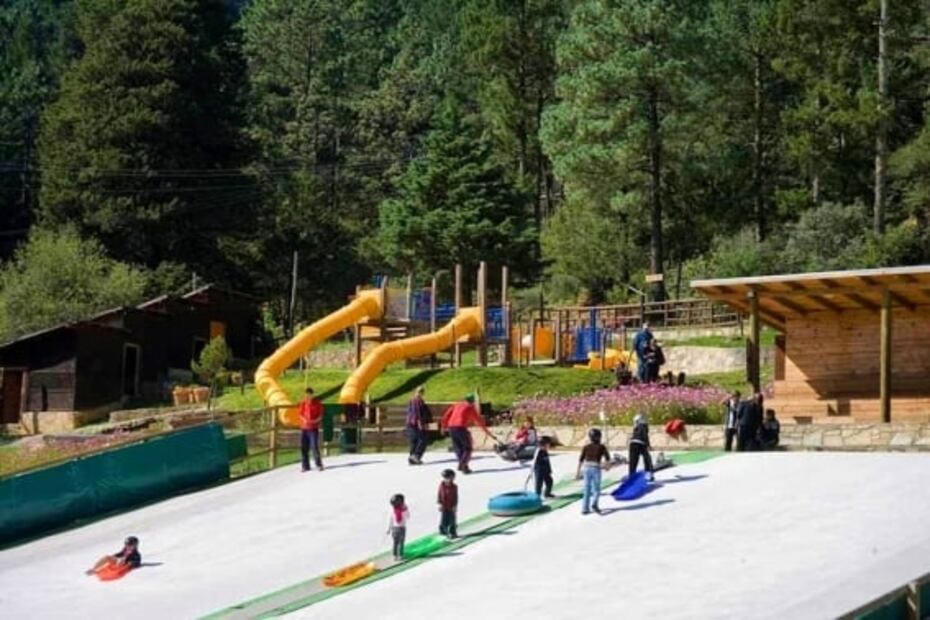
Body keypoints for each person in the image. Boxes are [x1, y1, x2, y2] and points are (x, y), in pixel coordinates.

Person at [440, 394, 495, 474]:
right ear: (472, 401)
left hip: (451, 427)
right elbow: (479, 421)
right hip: (460, 428)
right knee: (467, 448)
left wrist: (443, 426)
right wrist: (487, 432)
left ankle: (464, 467)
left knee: (458, 448)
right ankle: (462, 464)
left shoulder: (457, 405)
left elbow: (446, 415)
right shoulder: (470, 408)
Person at [575, 428, 611, 515]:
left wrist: (578, 473)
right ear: (599, 437)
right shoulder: (602, 447)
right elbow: (607, 458)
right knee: (596, 488)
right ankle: (594, 504)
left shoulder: (586, 447)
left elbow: (581, 460)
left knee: (587, 489)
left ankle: (585, 508)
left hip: (586, 468)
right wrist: (607, 467)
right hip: (595, 468)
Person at [299, 387, 324, 471]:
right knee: (304, 447)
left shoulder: (317, 403)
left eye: (309, 394)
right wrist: (304, 420)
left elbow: (320, 415)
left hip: (313, 428)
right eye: (306, 394)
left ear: (312, 395)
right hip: (304, 428)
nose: (308, 396)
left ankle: (319, 464)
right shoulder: (303, 403)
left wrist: (314, 421)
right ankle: (305, 466)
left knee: (314, 446)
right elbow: (300, 414)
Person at [405, 386, 432, 465]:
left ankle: (412, 458)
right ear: (416, 392)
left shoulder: (415, 400)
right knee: (423, 440)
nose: (421, 393)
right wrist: (419, 422)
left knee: (414, 441)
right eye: (419, 391)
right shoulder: (416, 400)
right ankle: (415, 456)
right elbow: (416, 412)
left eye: (422, 392)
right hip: (415, 423)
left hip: (411, 423)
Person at [629, 413, 655, 482]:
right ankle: (649, 475)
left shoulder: (635, 427)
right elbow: (645, 435)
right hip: (641, 443)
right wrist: (648, 445)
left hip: (632, 443)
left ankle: (631, 476)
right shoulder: (643, 426)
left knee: (633, 462)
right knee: (647, 459)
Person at [386, 494, 409, 562]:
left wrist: (389, 528)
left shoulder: (393, 511)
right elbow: (408, 516)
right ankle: (400, 555)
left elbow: (390, 520)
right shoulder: (403, 510)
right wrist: (405, 510)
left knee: (396, 543)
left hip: (395, 528)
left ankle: (395, 556)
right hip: (401, 528)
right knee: (400, 543)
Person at [437, 469, 458, 539]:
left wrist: (455, 505)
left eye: (449, 478)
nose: (447, 480)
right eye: (446, 478)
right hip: (444, 506)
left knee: (452, 520)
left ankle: (452, 532)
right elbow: (439, 495)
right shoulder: (442, 486)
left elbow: (455, 497)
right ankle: (442, 530)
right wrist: (440, 504)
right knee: (444, 519)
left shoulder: (454, 487)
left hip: (451, 506)